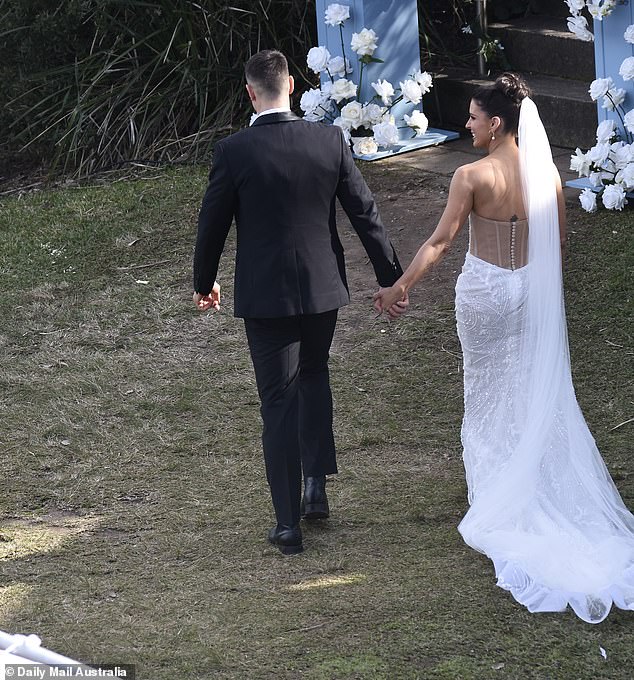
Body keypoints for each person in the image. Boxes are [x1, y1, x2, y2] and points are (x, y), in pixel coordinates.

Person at [374, 73, 634, 623]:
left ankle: (497, 494)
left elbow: (442, 242)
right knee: (523, 384)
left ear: (496, 124)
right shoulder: (545, 170)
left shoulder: (472, 175)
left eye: (472, 117)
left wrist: (402, 286)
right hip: (530, 290)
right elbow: (558, 241)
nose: (466, 123)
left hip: (486, 292)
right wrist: (543, 299)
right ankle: (528, 478)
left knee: (487, 388)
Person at [193, 50, 407, 555]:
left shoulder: (234, 151)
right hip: (321, 289)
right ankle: (315, 488)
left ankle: (288, 523)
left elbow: (212, 224)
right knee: (313, 374)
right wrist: (390, 278)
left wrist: (205, 282)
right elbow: (365, 212)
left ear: (250, 92)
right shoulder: (328, 140)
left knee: (277, 401)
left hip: (266, 297)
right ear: (291, 84)